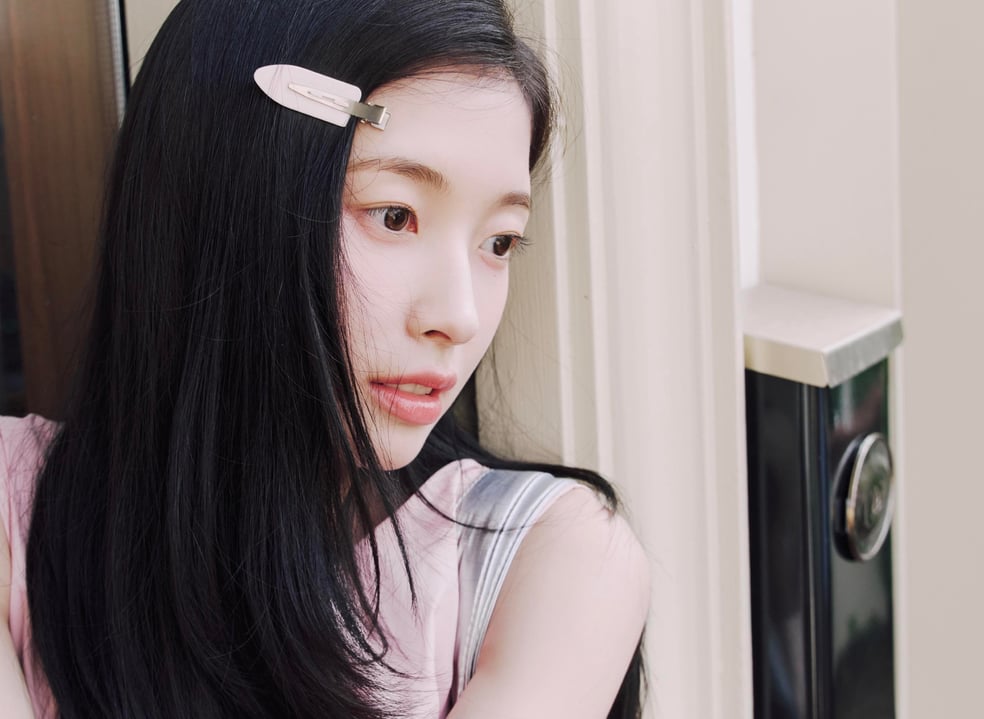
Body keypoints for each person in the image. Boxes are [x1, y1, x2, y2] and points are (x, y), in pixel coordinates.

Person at [0, 1, 649, 717]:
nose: (459, 317)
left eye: (499, 242)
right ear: (223, 203)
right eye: (395, 216)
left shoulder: (551, 560)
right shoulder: (15, 512)